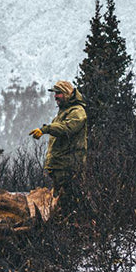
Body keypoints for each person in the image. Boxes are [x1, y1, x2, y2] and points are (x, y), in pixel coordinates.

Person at [30, 80, 87, 211]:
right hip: (60, 167)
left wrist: (45, 129)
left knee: (69, 204)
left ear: (67, 93)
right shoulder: (64, 112)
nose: (55, 96)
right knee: (59, 204)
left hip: (69, 167)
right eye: (55, 93)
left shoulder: (77, 112)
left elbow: (67, 128)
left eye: (59, 93)